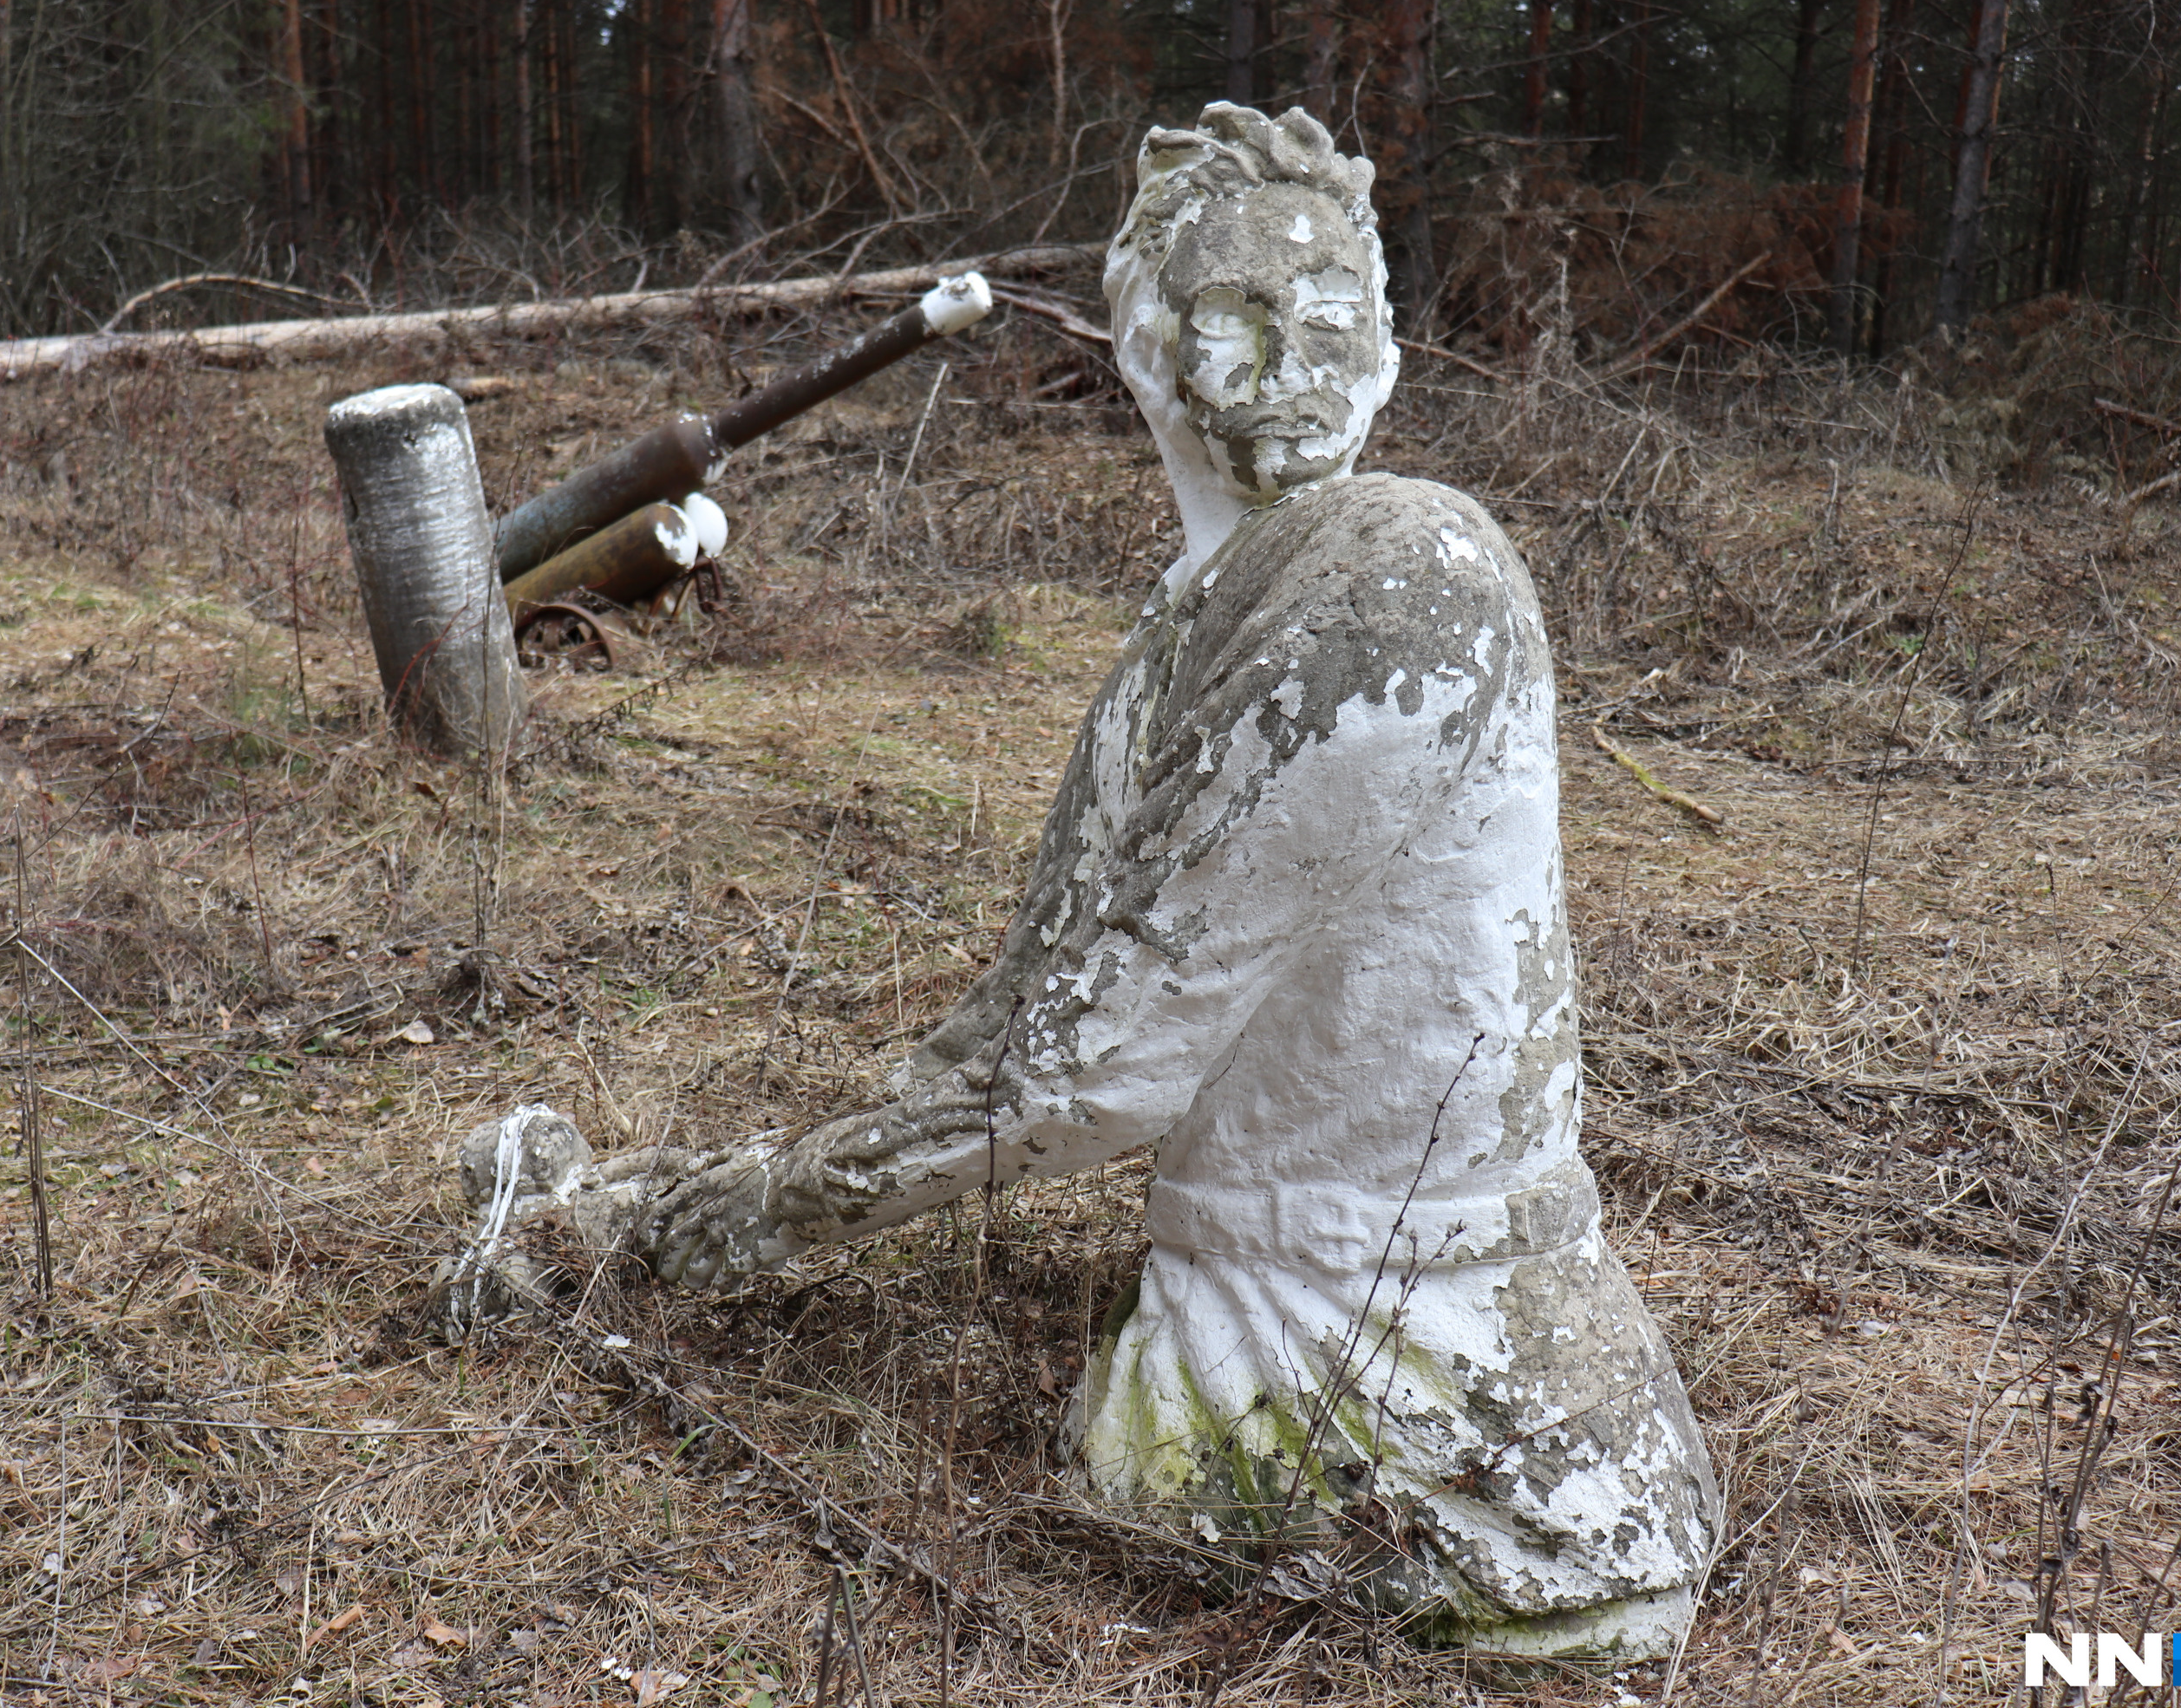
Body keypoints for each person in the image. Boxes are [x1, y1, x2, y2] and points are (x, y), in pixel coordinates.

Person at [536, 103, 1715, 1657]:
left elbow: (1091, 1065)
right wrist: (728, 1181)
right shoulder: (1197, 617)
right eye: (1235, 316)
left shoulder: (1408, 580)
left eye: (1332, 318)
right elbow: (1035, 1008)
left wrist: (717, 1219)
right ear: (1139, 344)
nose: (1293, 363)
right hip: (1279, 1300)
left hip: (1423, 1387)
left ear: (1388, 358)